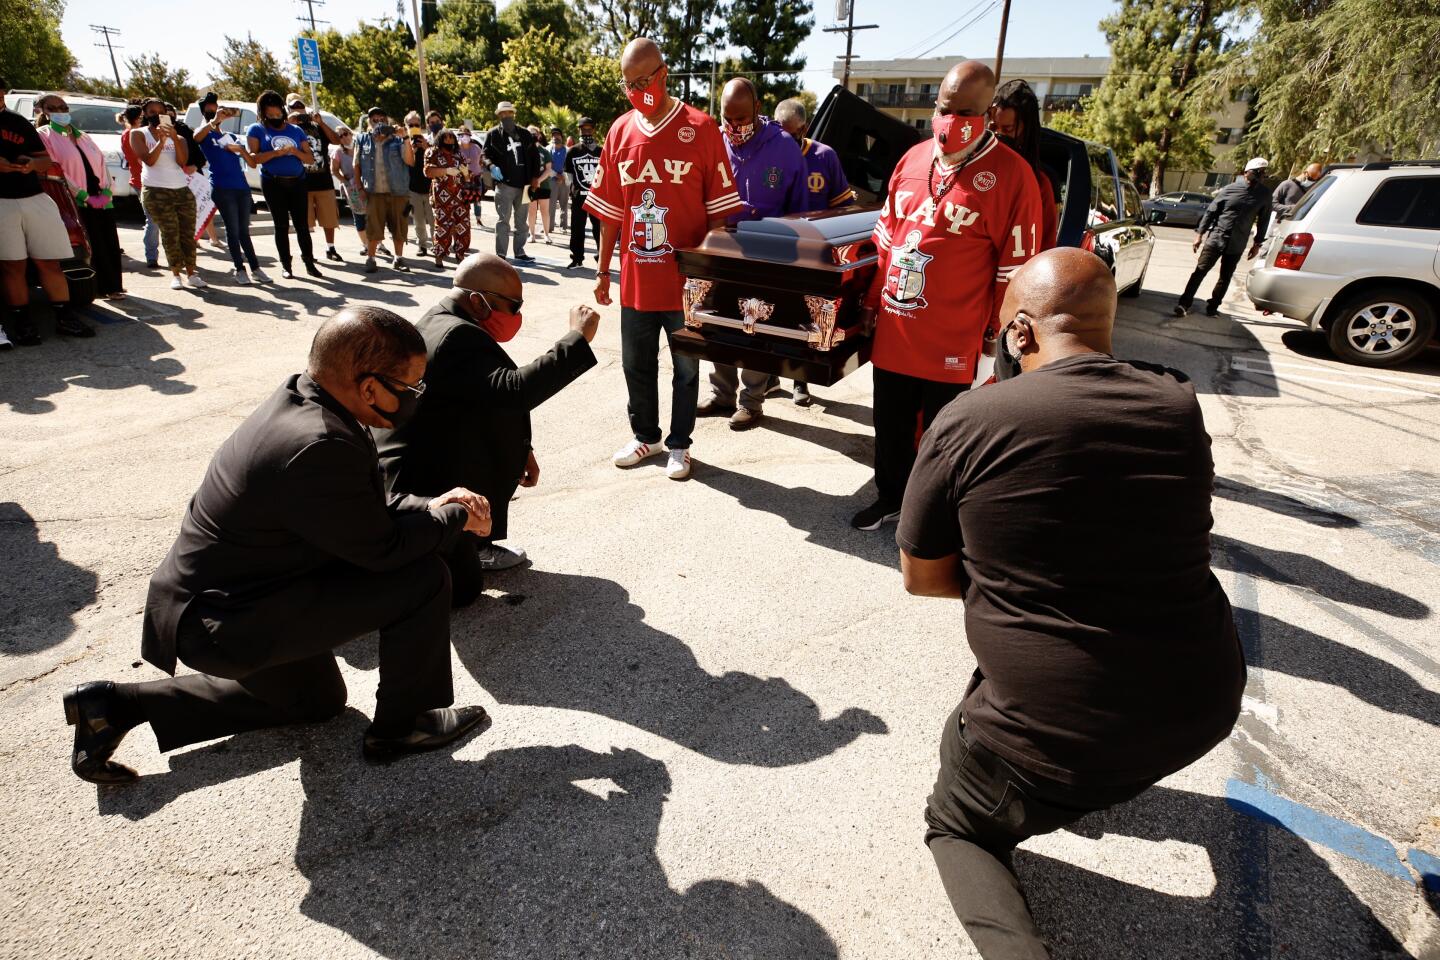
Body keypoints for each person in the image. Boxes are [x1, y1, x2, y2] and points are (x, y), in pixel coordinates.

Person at [897, 247, 1244, 959]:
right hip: (1202, 705)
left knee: (956, 825)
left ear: (1019, 333)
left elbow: (924, 577)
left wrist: (1011, 586)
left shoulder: (970, 420)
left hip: (1048, 738)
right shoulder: (1178, 402)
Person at [61, 305, 495, 784]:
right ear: (369, 387)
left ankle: (113, 706)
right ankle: (404, 726)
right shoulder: (319, 444)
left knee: (318, 702)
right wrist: (453, 517)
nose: (418, 397)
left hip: (231, 602)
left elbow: (358, 508)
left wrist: (433, 503)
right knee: (421, 578)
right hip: (225, 621)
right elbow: (384, 549)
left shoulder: (309, 400)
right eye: (412, 387)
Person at [851, 60, 1042, 532]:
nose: (949, 121)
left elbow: (1015, 272)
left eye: (964, 112)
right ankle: (889, 497)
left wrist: (993, 339)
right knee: (890, 425)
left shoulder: (1013, 176)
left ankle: (936, 516)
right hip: (897, 327)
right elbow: (885, 241)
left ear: (988, 111)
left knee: (946, 436)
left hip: (954, 338)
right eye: (943, 108)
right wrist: (872, 303)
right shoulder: (912, 159)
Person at [378, 253, 600, 588]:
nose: (517, 315)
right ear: (479, 301)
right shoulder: (457, 336)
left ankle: (472, 543)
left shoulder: (441, 320)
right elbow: (514, 390)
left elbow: (485, 396)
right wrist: (576, 340)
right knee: (461, 588)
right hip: (419, 478)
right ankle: (459, 545)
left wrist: (522, 449)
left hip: (430, 452)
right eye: (513, 305)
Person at [585, 37, 744, 480]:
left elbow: (720, 216)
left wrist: (711, 276)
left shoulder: (702, 127)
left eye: (644, 80)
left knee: (686, 367)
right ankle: (646, 437)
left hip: (684, 283)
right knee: (636, 363)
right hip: (636, 277)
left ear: (664, 74)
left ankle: (680, 444)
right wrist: (602, 271)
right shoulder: (620, 131)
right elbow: (610, 212)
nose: (637, 90)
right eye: (628, 84)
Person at [697, 77, 808, 430]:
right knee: (718, 321)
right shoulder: (715, 140)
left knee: (756, 324)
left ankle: (751, 401)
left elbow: (800, 208)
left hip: (767, 252)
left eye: (741, 119)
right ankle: (722, 394)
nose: (733, 128)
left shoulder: (785, 147)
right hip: (720, 249)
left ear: (758, 110)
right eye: (727, 119)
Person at [774, 96, 855, 407]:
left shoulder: (825, 156)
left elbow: (842, 207)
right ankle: (768, 378)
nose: (786, 140)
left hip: (814, 252)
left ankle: (800, 381)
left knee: (805, 318)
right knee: (775, 311)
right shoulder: (771, 154)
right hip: (778, 248)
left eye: (791, 134)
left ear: (804, 129)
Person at [0, 77, 90, 348]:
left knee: (49, 262)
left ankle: (64, 316)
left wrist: (29, 164)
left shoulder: (17, 122)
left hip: (34, 196)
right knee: (12, 265)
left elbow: (45, 160)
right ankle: (22, 321)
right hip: (2, 201)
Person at [35, 92, 126, 300]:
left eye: (64, 108)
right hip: (74, 200)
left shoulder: (82, 136)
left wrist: (106, 191)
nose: (61, 112)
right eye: (54, 108)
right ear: (44, 111)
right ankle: (100, 287)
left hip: (101, 197)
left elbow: (100, 164)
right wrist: (84, 195)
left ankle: (113, 285)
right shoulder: (44, 135)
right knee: (92, 244)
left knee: (109, 242)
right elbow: (56, 168)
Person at [1173, 157, 1272, 318]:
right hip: (1216, 239)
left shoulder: (1264, 194)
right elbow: (1211, 212)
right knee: (1200, 271)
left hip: (1237, 243)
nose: (1260, 176)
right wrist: (1199, 234)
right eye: (1257, 173)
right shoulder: (1229, 189)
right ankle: (1184, 304)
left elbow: (1264, 220)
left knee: (1225, 277)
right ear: (1246, 172)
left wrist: (1257, 244)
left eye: (1262, 173)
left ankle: (1212, 307)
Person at [193, 92, 268, 284]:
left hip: (241, 188)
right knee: (232, 230)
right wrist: (213, 121)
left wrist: (241, 150)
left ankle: (256, 268)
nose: (216, 113)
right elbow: (195, 137)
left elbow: (251, 163)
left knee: (244, 230)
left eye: (217, 109)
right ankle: (239, 269)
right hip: (222, 188)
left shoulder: (231, 136)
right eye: (210, 110)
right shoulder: (205, 134)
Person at [131, 98, 206, 291]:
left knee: (188, 234)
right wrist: (161, 141)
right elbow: (149, 160)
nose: (156, 115)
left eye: (160, 111)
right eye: (151, 112)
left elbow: (182, 161)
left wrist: (173, 138)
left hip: (181, 189)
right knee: (170, 233)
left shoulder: (179, 138)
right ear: (144, 114)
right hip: (156, 191)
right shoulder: (138, 134)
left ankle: (192, 273)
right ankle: (176, 273)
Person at [247, 90, 320, 279]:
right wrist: (275, 154)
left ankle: (309, 263)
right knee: (281, 225)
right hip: (273, 182)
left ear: (283, 111)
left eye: (278, 114)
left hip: (297, 182)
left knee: (302, 226)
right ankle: (286, 265)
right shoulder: (257, 129)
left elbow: (310, 158)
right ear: (263, 114)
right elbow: (253, 159)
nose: (275, 118)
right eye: (270, 115)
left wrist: (295, 152)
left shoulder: (295, 130)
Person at [990, 79, 1058, 252]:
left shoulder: (1040, 183)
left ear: (1025, 131)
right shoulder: (971, 168)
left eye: (1007, 129)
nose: (997, 136)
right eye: (993, 128)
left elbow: (1045, 245)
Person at [354, 107, 416, 274]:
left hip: (398, 191)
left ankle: (399, 258)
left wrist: (405, 137)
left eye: (382, 118)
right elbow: (356, 165)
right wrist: (359, 188)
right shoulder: (361, 139)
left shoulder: (397, 140)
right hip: (373, 192)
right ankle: (371, 258)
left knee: (399, 226)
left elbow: (410, 161)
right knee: (373, 227)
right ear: (369, 121)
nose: (379, 121)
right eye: (374, 118)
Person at [288, 95, 345, 263]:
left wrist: (320, 122)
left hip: (323, 180)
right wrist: (291, 122)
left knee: (329, 218)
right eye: (295, 111)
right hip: (300, 182)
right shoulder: (288, 129)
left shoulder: (317, 126)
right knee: (304, 222)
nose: (300, 115)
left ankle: (331, 248)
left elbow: (336, 140)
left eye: (302, 111)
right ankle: (307, 252)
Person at [484, 101, 540, 264]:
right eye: (503, 114)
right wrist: (491, 166)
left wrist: (535, 177)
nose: (506, 116)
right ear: (499, 115)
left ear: (513, 115)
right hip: (505, 184)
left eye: (509, 113)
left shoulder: (524, 134)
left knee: (521, 222)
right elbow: (484, 155)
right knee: (503, 221)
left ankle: (520, 251)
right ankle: (501, 254)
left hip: (525, 185)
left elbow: (535, 156)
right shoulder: (493, 134)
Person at [118, 102, 160, 269]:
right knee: (153, 220)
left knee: (154, 220)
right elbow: (140, 159)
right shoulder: (134, 134)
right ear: (138, 118)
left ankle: (152, 255)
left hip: (142, 180)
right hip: (143, 181)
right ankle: (151, 256)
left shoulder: (130, 133)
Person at [423, 129, 472, 268]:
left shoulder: (459, 154)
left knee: (463, 226)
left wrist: (465, 173)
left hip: (460, 197)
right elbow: (427, 171)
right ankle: (439, 256)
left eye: (451, 138)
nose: (449, 140)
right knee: (442, 226)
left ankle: (461, 254)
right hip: (441, 197)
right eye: (446, 138)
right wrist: (445, 171)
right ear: (440, 139)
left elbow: (467, 177)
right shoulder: (432, 152)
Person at [331, 125, 377, 257]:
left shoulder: (361, 146)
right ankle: (366, 245)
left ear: (351, 133)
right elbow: (334, 170)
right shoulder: (338, 152)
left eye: (346, 133)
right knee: (359, 216)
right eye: (340, 136)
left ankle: (377, 243)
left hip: (368, 184)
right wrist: (345, 182)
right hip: (352, 188)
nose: (344, 137)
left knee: (373, 215)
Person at [564, 116, 603, 270]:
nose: (586, 131)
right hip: (578, 197)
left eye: (589, 128)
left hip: (597, 198)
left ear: (593, 130)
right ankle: (577, 258)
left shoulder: (601, 151)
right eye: (583, 129)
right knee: (577, 228)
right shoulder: (573, 151)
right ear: (579, 130)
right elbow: (569, 175)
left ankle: (602, 258)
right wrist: (573, 190)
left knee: (599, 229)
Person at [404, 113, 435, 258]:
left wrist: (426, 147)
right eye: (411, 125)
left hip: (430, 188)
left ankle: (437, 245)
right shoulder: (404, 143)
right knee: (419, 221)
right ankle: (422, 245)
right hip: (413, 189)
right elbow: (405, 164)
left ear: (421, 126)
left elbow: (437, 160)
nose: (414, 128)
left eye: (417, 125)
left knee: (434, 220)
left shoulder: (428, 141)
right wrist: (412, 150)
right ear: (406, 127)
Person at [525, 124, 553, 245]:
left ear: (539, 135)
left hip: (544, 185)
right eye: (530, 134)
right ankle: (532, 235)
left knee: (544, 211)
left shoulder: (544, 151)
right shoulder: (525, 151)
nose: (532, 136)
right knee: (531, 211)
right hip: (529, 185)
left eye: (534, 134)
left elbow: (549, 170)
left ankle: (546, 235)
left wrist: (539, 181)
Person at [456, 125, 487, 229]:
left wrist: (481, 168)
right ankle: (465, 219)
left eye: (467, 135)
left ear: (470, 136)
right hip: (463, 177)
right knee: (464, 199)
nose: (465, 137)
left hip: (476, 176)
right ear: (459, 136)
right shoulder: (456, 149)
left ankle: (478, 219)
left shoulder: (475, 147)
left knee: (477, 199)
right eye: (462, 135)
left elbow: (482, 158)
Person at [548, 126, 569, 233]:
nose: (556, 137)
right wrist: (556, 175)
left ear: (562, 137)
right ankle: (549, 227)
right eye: (554, 135)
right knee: (550, 205)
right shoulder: (548, 150)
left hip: (565, 181)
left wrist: (563, 176)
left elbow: (570, 167)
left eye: (558, 135)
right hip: (552, 180)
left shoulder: (568, 150)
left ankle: (563, 227)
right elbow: (546, 166)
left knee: (564, 205)